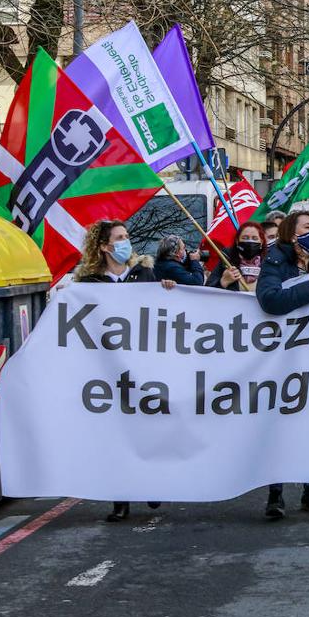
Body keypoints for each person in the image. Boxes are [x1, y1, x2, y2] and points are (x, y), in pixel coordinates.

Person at [74, 219, 175, 522]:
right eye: (118, 238)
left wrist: (166, 290)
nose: (125, 242)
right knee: (115, 434)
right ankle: (120, 499)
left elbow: (160, 314)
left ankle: (150, 483)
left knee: (146, 428)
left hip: (143, 368)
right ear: (103, 246)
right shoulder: (88, 284)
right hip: (107, 370)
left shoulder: (143, 273)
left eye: (126, 237)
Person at [256, 210, 309, 519]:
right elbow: (270, 299)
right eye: (307, 227)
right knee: (279, 423)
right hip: (282, 354)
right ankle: (275, 493)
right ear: (292, 234)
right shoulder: (276, 260)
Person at [206, 222, 267, 290]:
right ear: (237, 241)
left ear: (261, 242)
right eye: (245, 238)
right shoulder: (226, 261)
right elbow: (208, 292)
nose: (250, 241)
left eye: (254, 238)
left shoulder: (269, 263)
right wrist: (223, 282)